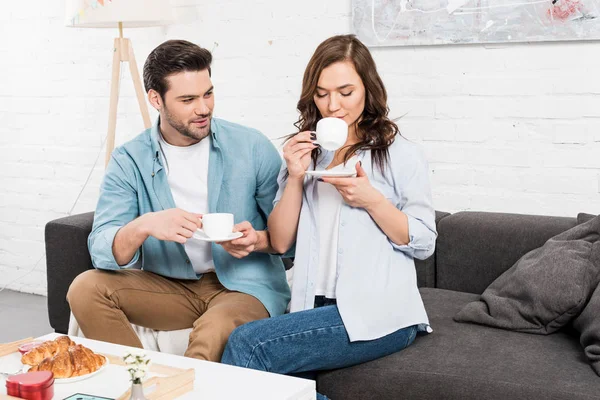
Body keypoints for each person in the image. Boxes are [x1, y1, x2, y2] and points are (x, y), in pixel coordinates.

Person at [221, 34, 437, 398]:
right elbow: (281, 241)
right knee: (272, 389)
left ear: (367, 89)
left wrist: (372, 200)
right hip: (311, 306)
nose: (332, 105)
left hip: (378, 312)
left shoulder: (400, 154)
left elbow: (425, 242)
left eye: (345, 92)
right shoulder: (307, 154)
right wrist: (293, 175)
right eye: (321, 93)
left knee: (249, 345)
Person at [67, 40, 290, 362]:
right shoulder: (130, 158)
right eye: (188, 99)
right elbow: (101, 246)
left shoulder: (251, 146)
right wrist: (144, 225)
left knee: (216, 329)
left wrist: (257, 241)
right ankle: (139, 380)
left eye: (208, 94)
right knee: (85, 288)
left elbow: (291, 238)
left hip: (243, 287)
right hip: (169, 286)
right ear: (156, 99)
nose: (203, 108)